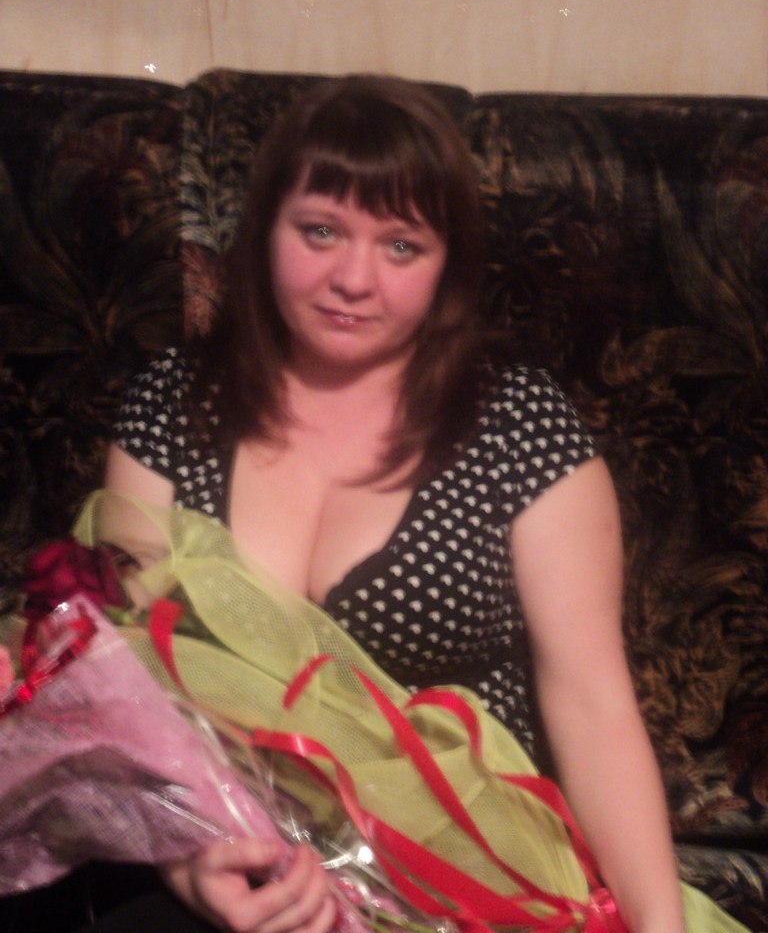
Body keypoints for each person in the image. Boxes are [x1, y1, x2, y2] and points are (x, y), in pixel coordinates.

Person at [99, 75, 685, 933]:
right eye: (320, 231)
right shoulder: (172, 404)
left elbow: (593, 708)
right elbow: (120, 686)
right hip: (229, 864)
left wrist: (660, 929)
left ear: (448, 267)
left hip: (462, 887)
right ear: (264, 231)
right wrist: (188, 862)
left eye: (402, 246)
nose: (353, 279)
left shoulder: (520, 426)